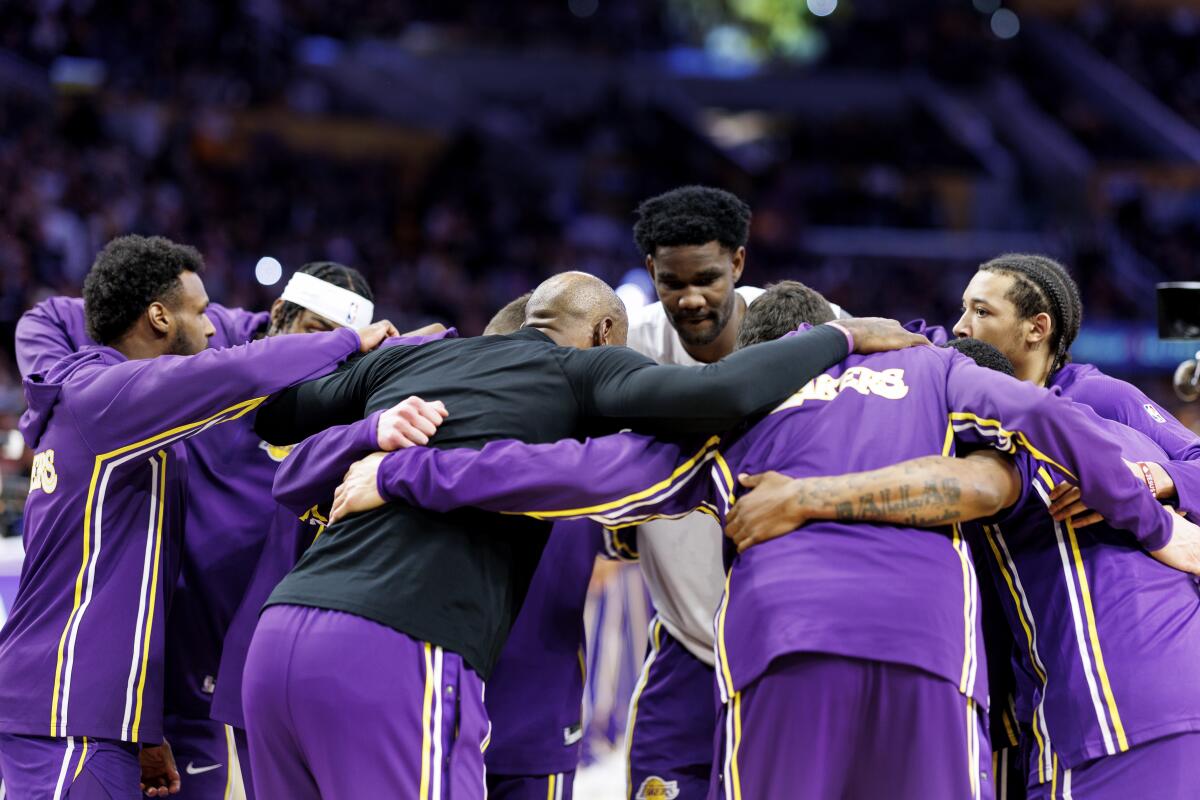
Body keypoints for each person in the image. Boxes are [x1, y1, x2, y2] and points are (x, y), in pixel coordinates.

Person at [325, 289, 1195, 800]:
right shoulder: (936, 371)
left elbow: (576, 472)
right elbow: (1044, 420)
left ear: (769, 349)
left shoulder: (732, 407)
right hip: (930, 648)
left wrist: (403, 475)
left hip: (785, 642)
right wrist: (1153, 520)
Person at [245, 270, 922, 798]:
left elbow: (272, 415)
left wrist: (359, 396)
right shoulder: (580, 368)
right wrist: (839, 336)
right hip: (397, 642)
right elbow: (714, 398)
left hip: (278, 642)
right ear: (604, 333)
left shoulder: (410, 362)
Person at [0, 235, 395, 799]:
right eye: (202, 313)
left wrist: (142, 726)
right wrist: (352, 342)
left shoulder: (143, 425)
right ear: (160, 315)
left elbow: (140, 590)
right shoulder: (105, 396)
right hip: (64, 705)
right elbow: (231, 373)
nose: (212, 329)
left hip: (110, 710)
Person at [727, 337, 1200, 800]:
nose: (962, 323)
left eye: (981, 310)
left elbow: (980, 485)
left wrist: (801, 497)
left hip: (1111, 719)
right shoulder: (1111, 438)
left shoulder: (1030, 438)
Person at [624, 183, 838, 799]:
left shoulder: (814, 329)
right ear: (651, 273)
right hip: (687, 642)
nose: (690, 299)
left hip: (791, 643)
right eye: (672, 282)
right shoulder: (629, 343)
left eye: (708, 279)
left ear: (739, 263)